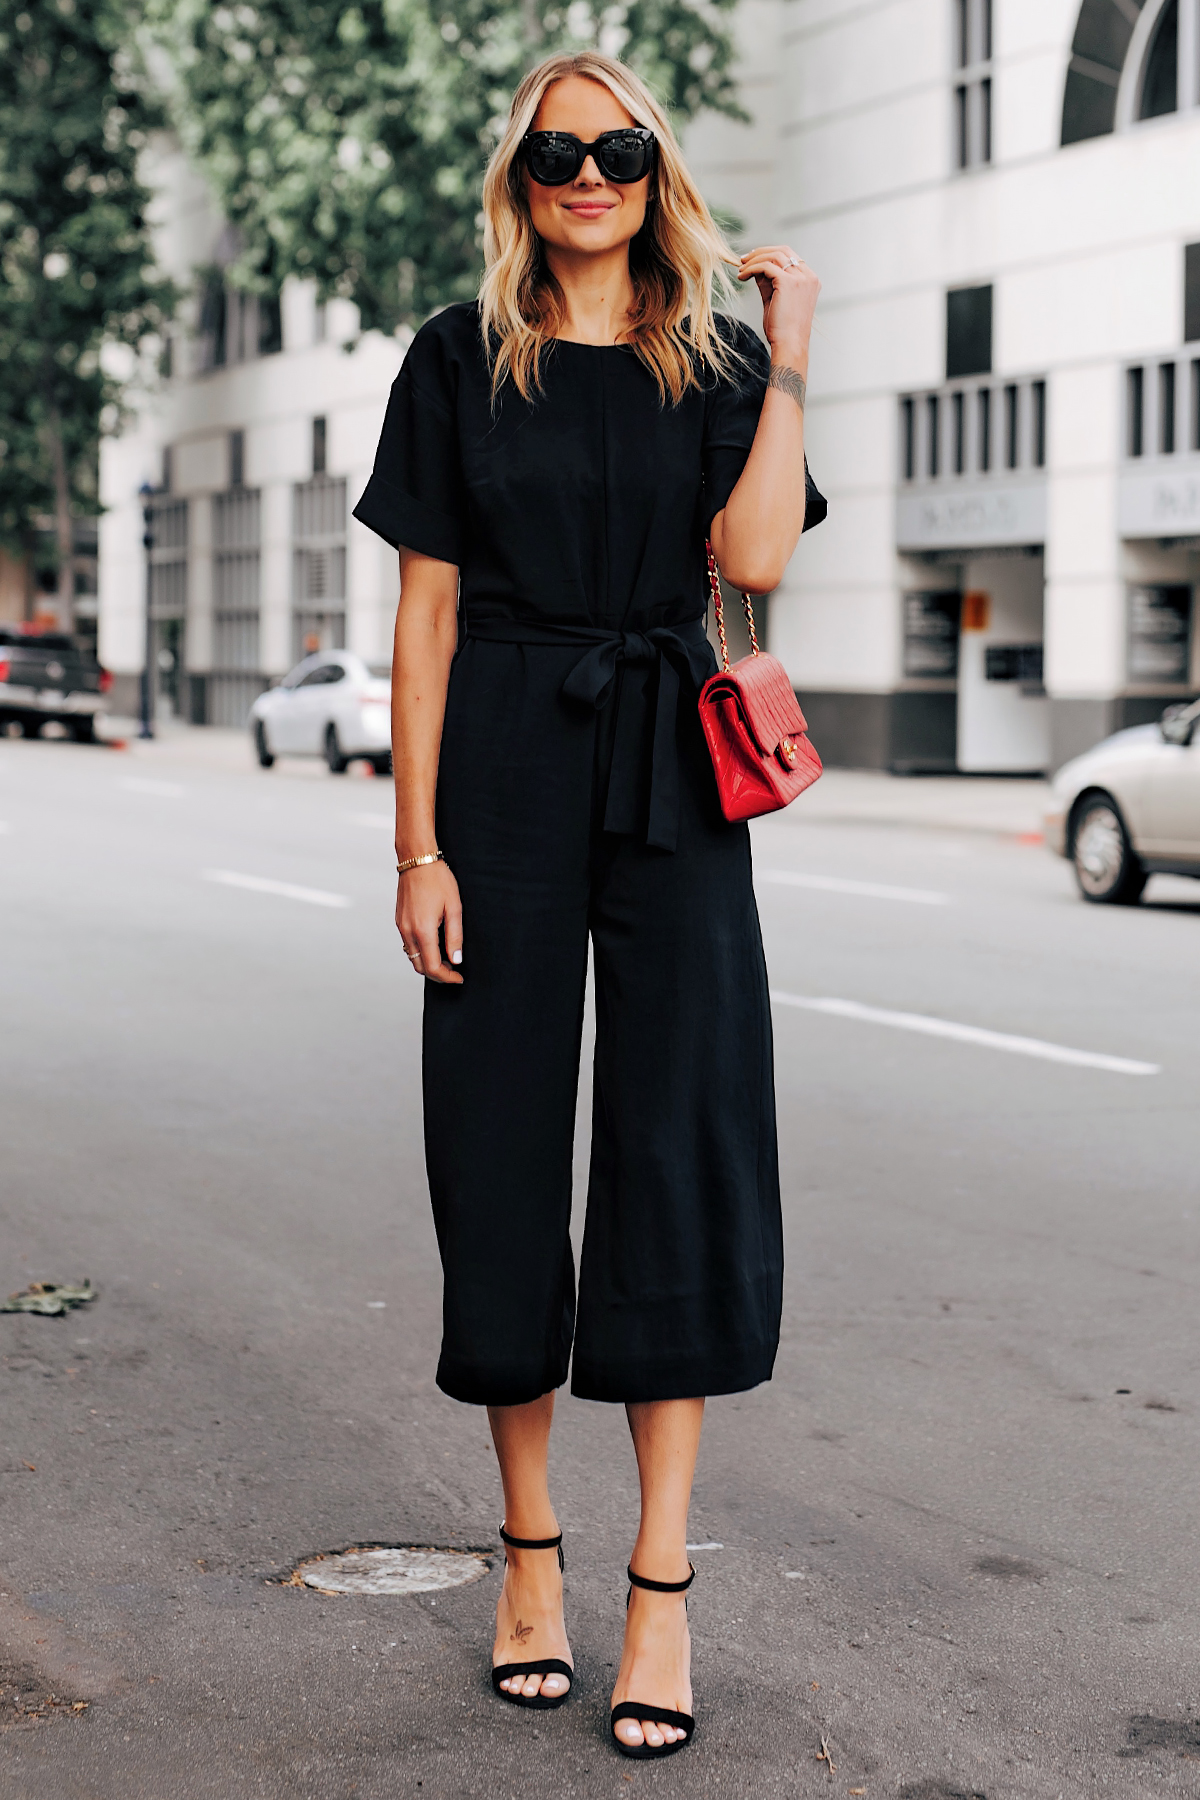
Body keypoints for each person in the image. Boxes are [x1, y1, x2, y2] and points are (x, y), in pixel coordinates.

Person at [353, 48, 824, 1760]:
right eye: (557, 150)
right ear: (521, 175)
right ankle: (532, 1555)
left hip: (676, 781)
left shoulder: (713, 352)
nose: (588, 172)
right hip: (503, 776)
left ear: (652, 167)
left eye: (617, 146)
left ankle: (662, 1585)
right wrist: (419, 846)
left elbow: (756, 563)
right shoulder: (456, 360)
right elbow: (422, 619)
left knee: (680, 1147)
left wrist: (788, 361)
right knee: (494, 1147)